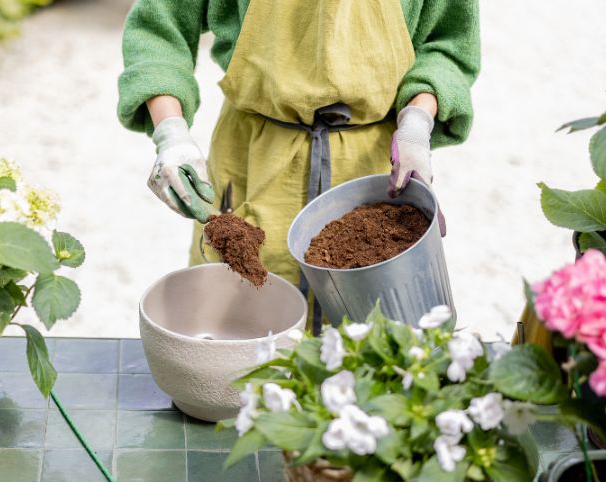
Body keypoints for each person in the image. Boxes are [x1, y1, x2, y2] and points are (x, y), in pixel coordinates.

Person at [118, 0, 480, 295]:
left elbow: (448, 43)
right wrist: (171, 132)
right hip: (254, 159)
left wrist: (417, 120)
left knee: (371, 351)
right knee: (241, 339)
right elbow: (158, 26)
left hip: (370, 172)